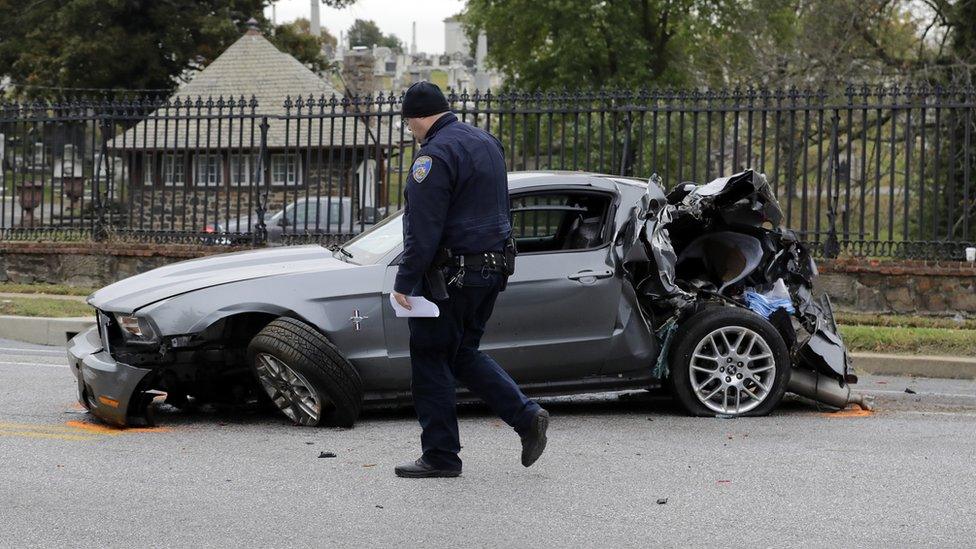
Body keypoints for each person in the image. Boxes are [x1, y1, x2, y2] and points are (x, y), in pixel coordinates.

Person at [392, 81, 549, 479]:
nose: (411, 131)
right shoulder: (486, 141)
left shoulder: (434, 156)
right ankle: (526, 417)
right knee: (462, 353)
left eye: (409, 124)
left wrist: (405, 281)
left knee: (430, 357)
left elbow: (424, 229)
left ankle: (441, 456)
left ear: (416, 118)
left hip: (450, 275)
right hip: (491, 269)